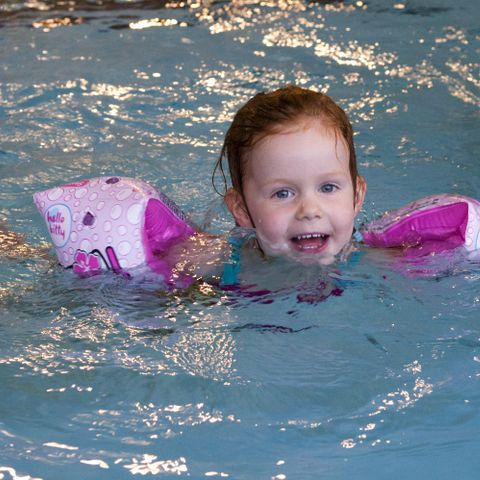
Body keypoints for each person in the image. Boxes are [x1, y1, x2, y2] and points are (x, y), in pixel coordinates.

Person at [213, 84, 366, 266]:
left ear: (356, 196)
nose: (309, 210)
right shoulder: (217, 267)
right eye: (282, 193)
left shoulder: (379, 261)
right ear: (241, 209)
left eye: (328, 188)